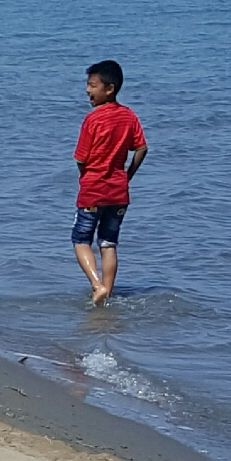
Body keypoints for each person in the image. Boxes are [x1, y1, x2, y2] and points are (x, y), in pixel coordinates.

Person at [72, 59, 146, 305]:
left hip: (93, 189)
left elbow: (81, 158)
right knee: (108, 243)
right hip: (118, 191)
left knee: (81, 240)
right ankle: (107, 292)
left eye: (92, 85)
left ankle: (96, 284)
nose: (87, 90)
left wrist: (86, 178)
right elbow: (142, 149)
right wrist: (127, 175)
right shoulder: (129, 116)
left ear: (109, 89)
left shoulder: (93, 120)